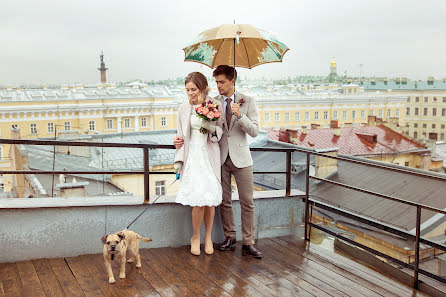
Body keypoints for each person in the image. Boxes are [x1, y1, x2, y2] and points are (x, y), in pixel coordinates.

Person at [174, 65, 262, 258]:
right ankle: (229, 237)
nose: (218, 85)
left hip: (241, 158)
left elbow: (255, 131)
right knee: (224, 201)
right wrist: (178, 143)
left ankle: (248, 242)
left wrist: (240, 115)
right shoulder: (211, 102)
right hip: (218, 157)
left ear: (233, 81)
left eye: (222, 82)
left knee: (247, 201)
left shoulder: (248, 101)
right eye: (216, 82)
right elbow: (192, 127)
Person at [173, 72, 223, 256]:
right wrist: (178, 152)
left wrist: (210, 126)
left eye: (193, 89)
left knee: (209, 201)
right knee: (198, 202)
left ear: (202, 88)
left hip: (209, 157)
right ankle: (195, 236)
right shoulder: (183, 109)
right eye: (187, 90)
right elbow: (180, 137)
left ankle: (208, 236)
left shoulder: (214, 105)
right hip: (192, 156)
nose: (190, 93)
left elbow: (219, 135)